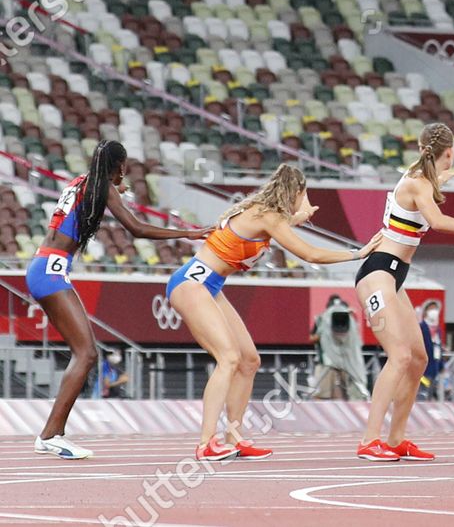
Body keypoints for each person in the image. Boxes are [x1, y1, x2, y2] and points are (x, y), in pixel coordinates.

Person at [169, 164, 379, 461]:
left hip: (209, 284)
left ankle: (234, 436)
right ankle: (206, 443)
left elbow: (283, 222)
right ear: (296, 192)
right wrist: (357, 253)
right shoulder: (267, 215)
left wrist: (299, 215)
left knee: (249, 360)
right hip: (192, 283)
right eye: (303, 194)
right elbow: (311, 254)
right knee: (229, 358)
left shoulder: (266, 214)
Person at [29, 141, 212, 460]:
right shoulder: (103, 187)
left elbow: (109, 190)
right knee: (86, 354)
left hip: (44, 265)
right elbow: (137, 230)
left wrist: (117, 184)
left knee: (86, 353)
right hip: (51, 271)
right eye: (123, 166)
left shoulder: (82, 181)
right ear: (117, 165)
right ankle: (51, 434)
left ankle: (52, 433)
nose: (125, 172)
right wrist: (189, 234)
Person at [355, 123, 454, 462]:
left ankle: (395, 440)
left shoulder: (418, 176)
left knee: (419, 357)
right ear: (449, 153)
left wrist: (442, 176)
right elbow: (437, 221)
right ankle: (369, 439)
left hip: (395, 276)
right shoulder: (417, 183)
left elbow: (427, 172)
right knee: (400, 356)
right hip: (378, 272)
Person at [310, 295, 367, 400]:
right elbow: (311, 337)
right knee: (321, 394)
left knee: (346, 395)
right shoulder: (322, 319)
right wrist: (324, 335)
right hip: (325, 361)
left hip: (346, 359)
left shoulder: (350, 320)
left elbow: (354, 339)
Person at [417, 303, 443, 400]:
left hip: (434, 368)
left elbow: (438, 348)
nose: (434, 311)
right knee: (422, 393)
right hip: (423, 369)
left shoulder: (437, 330)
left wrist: (441, 365)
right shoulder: (421, 327)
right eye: (431, 309)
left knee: (430, 394)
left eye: (436, 309)